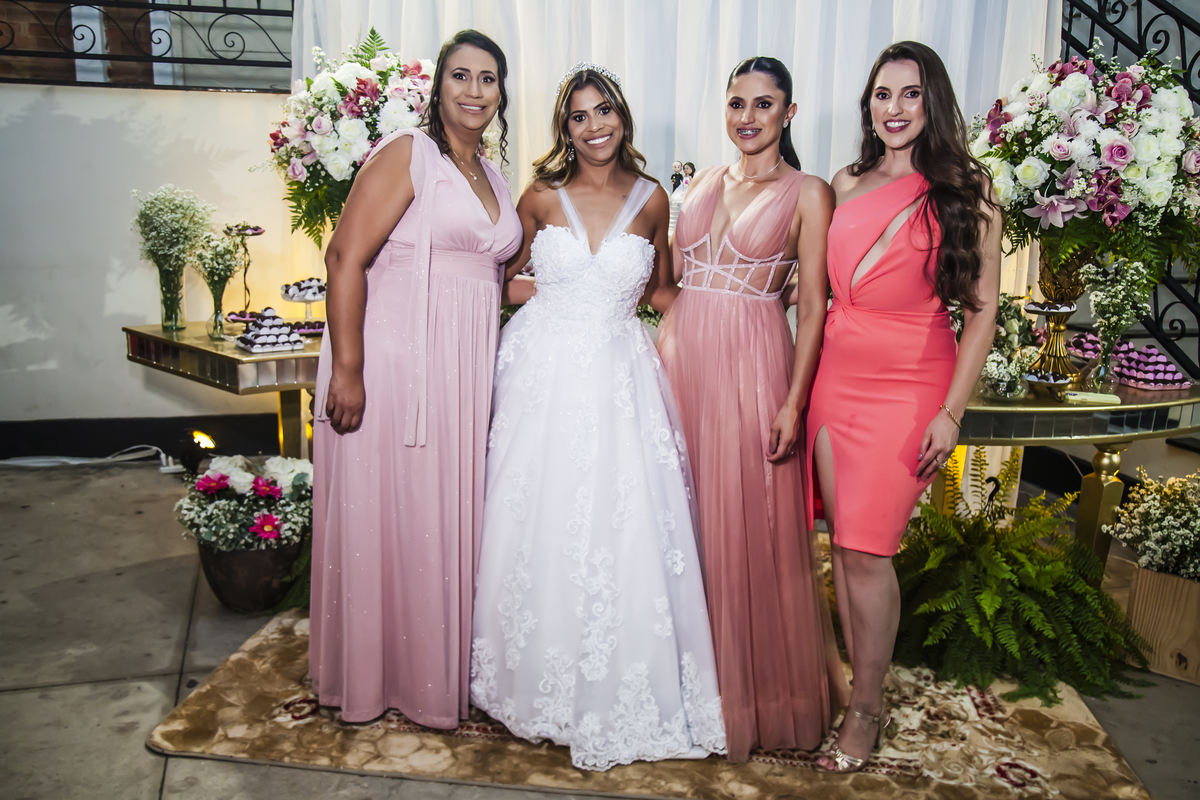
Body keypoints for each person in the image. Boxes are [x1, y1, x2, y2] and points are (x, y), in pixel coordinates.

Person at [470, 63, 726, 772]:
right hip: (542, 374)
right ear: (565, 127)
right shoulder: (538, 196)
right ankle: (528, 677)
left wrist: (741, 301)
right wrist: (554, 297)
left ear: (622, 116)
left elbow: (663, 291)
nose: (594, 126)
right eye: (579, 116)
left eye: (604, 110)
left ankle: (621, 681)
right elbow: (498, 279)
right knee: (539, 517)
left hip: (620, 374)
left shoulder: (653, 199)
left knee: (623, 523)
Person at [309, 30, 522, 727]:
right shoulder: (410, 152)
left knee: (435, 519)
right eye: (461, 75)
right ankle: (374, 679)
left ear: (501, 92)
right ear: (438, 86)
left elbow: (490, 279)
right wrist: (348, 369)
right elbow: (344, 256)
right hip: (397, 361)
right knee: (389, 514)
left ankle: (429, 672)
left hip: (463, 369)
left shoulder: (491, 174)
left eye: (487, 78)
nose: (474, 90)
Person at [807, 41, 1000, 772]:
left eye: (909, 94)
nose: (893, 108)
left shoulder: (968, 190)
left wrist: (951, 412)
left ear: (932, 101)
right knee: (842, 546)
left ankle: (866, 706)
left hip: (911, 381)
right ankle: (857, 685)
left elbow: (982, 311)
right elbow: (816, 285)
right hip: (836, 378)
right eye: (882, 94)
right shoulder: (844, 182)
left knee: (868, 548)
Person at [656, 57, 846, 762]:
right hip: (680, 361)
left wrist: (794, 400)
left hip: (752, 366)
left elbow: (815, 304)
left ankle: (751, 699)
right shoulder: (702, 181)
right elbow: (668, 280)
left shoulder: (809, 192)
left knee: (747, 525)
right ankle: (676, 689)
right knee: (680, 518)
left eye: (764, 105)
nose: (747, 117)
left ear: (789, 113)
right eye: (737, 102)